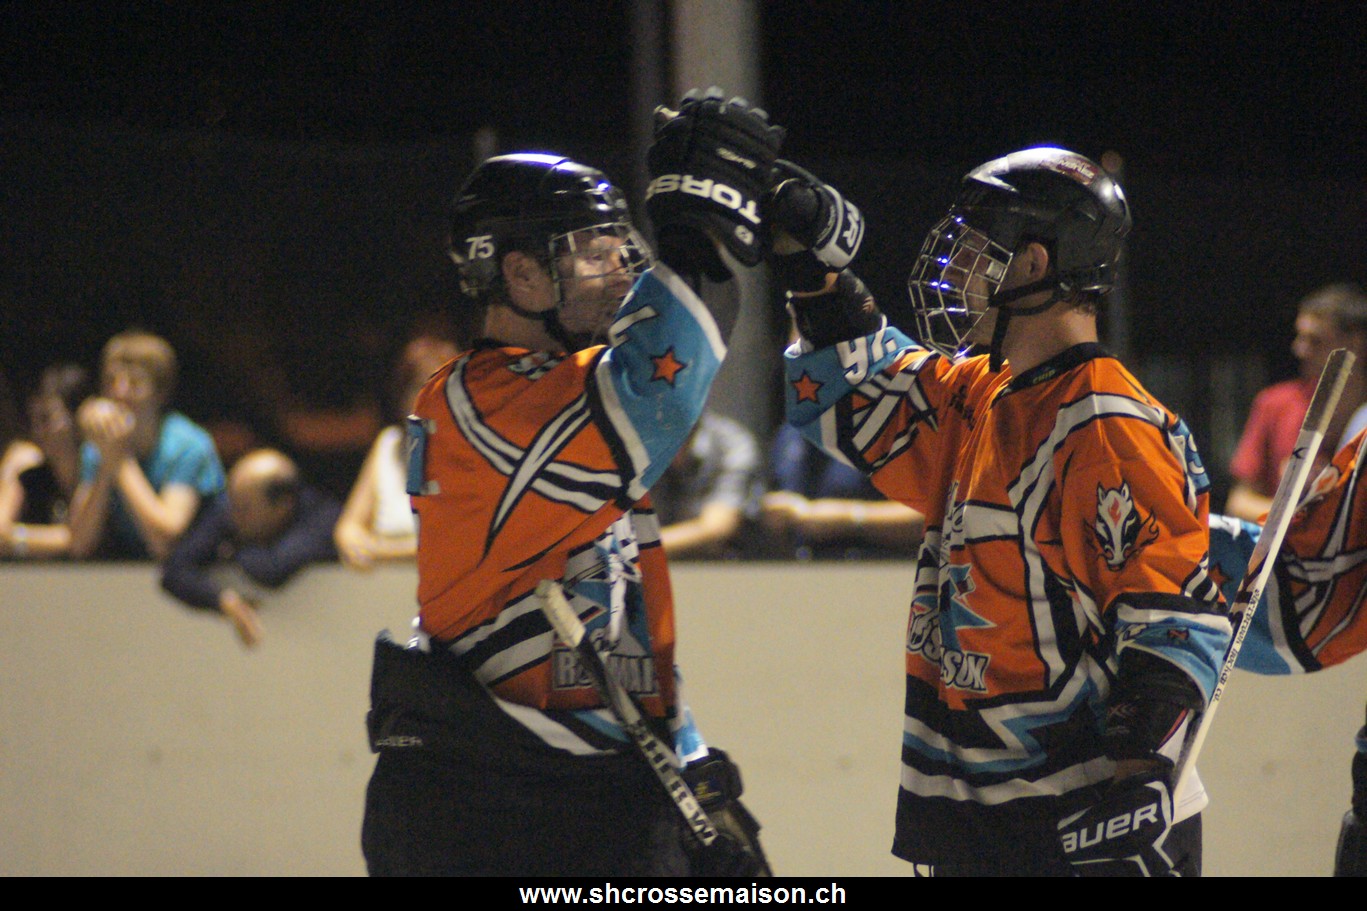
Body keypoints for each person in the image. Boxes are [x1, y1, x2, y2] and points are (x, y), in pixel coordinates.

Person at [770, 148, 1230, 875]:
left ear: (1034, 263)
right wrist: (810, 266)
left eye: (976, 251)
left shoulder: (1104, 424)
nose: (955, 271)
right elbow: (858, 389)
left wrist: (1142, 773)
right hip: (980, 822)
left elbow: (1165, 609)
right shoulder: (981, 392)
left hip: (1084, 822)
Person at [360, 90, 784, 876]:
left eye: (620, 240)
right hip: (478, 804)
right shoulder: (474, 405)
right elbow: (665, 374)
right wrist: (699, 223)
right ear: (520, 272)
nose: (621, 263)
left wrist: (686, 753)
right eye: (590, 248)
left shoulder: (572, 388)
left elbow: (618, 616)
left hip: (582, 787)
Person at [67, 331, 225, 560]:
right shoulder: (98, 448)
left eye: (134, 383)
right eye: (111, 381)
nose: (119, 392)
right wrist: (106, 464)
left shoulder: (188, 445)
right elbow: (80, 544)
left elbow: (164, 543)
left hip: (196, 569)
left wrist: (120, 461)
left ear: (160, 393)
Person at [161, 448, 342, 647]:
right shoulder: (231, 509)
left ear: (283, 506)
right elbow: (174, 571)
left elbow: (271, 569)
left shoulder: (322, 518)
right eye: (232, 502)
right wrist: (222, 600)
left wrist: (230, 550)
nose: (233, 516)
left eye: (245, 509)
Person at [1226, 282, 1367, 522]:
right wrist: (1300, 522)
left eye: (1315, 340)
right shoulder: (1274, 404)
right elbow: (1239, 501)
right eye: (1300, 337)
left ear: (1355, 343)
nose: (1299, 350)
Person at [335, 335, 458, 571]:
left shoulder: (476, 452)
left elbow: (452, 545)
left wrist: (378, 550)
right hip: (385, 586)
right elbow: (348, 528)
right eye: (419, 387)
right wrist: (355, 542)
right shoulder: (389, 444)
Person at [761, 421, 924, 560]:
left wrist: (848, 518)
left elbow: (928, 517)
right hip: (801, 574)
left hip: (877, 571)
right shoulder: (791, 433)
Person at [0, 363, 89, 559]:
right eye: (33, 420)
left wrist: (18, 537)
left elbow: (82, 540)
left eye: (46, 419)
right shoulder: (30, 476)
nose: (38, 431)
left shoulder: (98, 471)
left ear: (77, 418)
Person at [653, 410, 762, 559]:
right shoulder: (632, 439)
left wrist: (634, 550)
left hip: (719, 567)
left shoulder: (730, 443)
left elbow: (716, 528)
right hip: (645, 566)